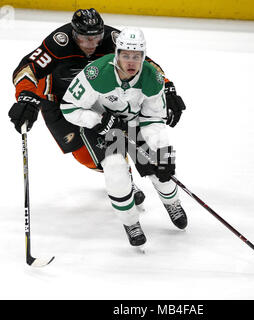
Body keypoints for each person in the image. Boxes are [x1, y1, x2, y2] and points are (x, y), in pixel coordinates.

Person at [8, 8, 186, 205]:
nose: (91, 45)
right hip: (57, 102)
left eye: (96, 38)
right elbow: (27, 68)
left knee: (120, 138)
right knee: (84, 155)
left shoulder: (113, 39)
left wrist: (167, 87)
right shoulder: (59, 43)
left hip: (96, 100)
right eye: (84, 39)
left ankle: (122, 178)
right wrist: (26, 97)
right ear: (74, 33)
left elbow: (145, 64)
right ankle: (123, 176)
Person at [60, 27, 187, 247]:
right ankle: (130, 222)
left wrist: (161, 152)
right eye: (126, 55)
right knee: (117, 173)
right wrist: (98, 121)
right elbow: (69, 107)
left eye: (136, 56)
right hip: (104, 128)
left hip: (137, 123)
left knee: (162, 173)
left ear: (143, 56)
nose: (130, 61)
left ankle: (172, 202)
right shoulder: (96, 74)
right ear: (116, 54)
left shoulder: (153, 78)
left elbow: (154, 119)